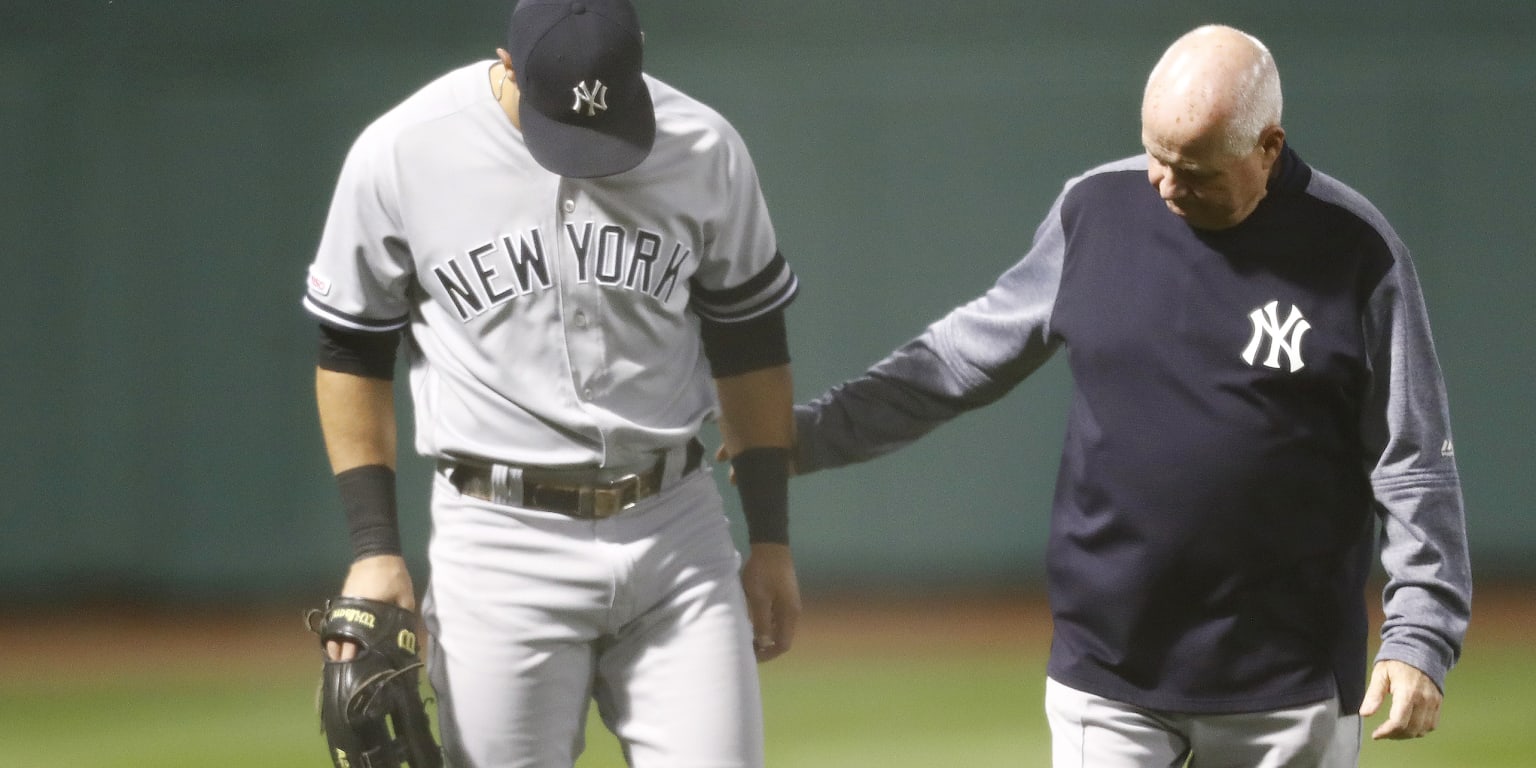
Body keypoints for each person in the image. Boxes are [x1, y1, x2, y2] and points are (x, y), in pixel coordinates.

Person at [790, 24, 1470, 767]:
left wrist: (1419, 634)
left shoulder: (1356, 251)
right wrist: (807, 435)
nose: (1167, 186)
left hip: (1287, 683)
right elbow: (958, 358)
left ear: (1268, 147)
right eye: (1156, 156)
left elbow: (1413, 461)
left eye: (1197, 170)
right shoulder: (1096, 211)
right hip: (1108, 672)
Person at [300, 1, 802, 765]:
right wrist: (375, 546)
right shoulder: (403, 151)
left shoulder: (704, 146)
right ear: (507, 63)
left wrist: (771, 539)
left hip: (676, 533)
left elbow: (752, 340)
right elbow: (351, 349)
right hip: (501, 543)